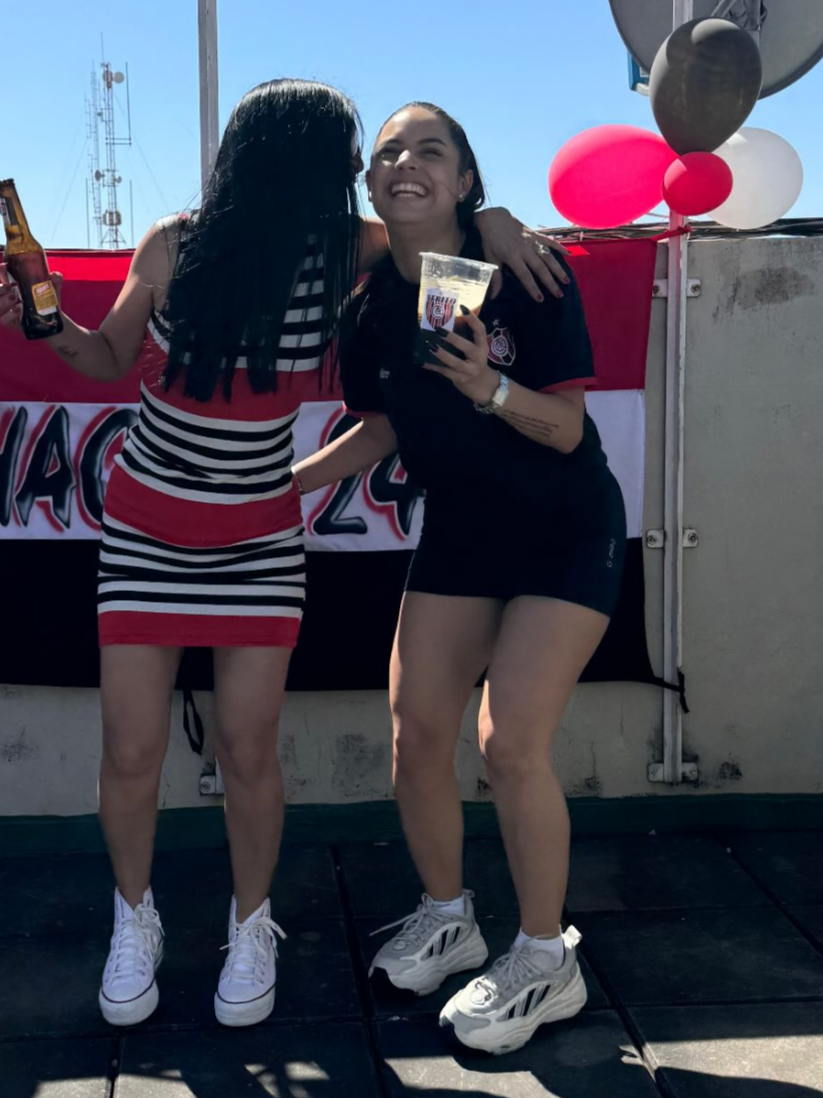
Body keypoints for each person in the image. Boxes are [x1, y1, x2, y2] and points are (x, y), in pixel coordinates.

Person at [0, 79, 569, 1029]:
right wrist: (44, 321)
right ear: (292, 158)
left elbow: (443, 237)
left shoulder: (349, 250)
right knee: (130, 749)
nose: (358, 168)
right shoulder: (174, 245)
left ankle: (250, 925)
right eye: (346, 151)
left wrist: (497, 220)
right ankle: (133, 921)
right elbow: (105, 359)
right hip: (144, 530)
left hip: (258, 540)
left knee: (249, 748)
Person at [293, 101, 627, 1055]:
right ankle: (448, 919)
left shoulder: (522, 270)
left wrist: (488, 385)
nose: (406, 163)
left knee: (507, 741)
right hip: (462, 534)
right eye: (388, 152)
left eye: (430, 150)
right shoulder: (369, 308)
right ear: (370, 183)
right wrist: (284, 487)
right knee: (415, 735)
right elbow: (383, 426)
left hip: (564, 529)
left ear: (467, 181)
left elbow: (565, 430)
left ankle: (544, 957)